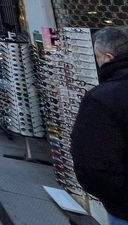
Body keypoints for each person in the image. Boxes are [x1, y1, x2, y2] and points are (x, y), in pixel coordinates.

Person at [70, 26, 128, 225]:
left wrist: (115, 197)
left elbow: (92, 160)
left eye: (97, 57)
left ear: (108, 58)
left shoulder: (102, 98)